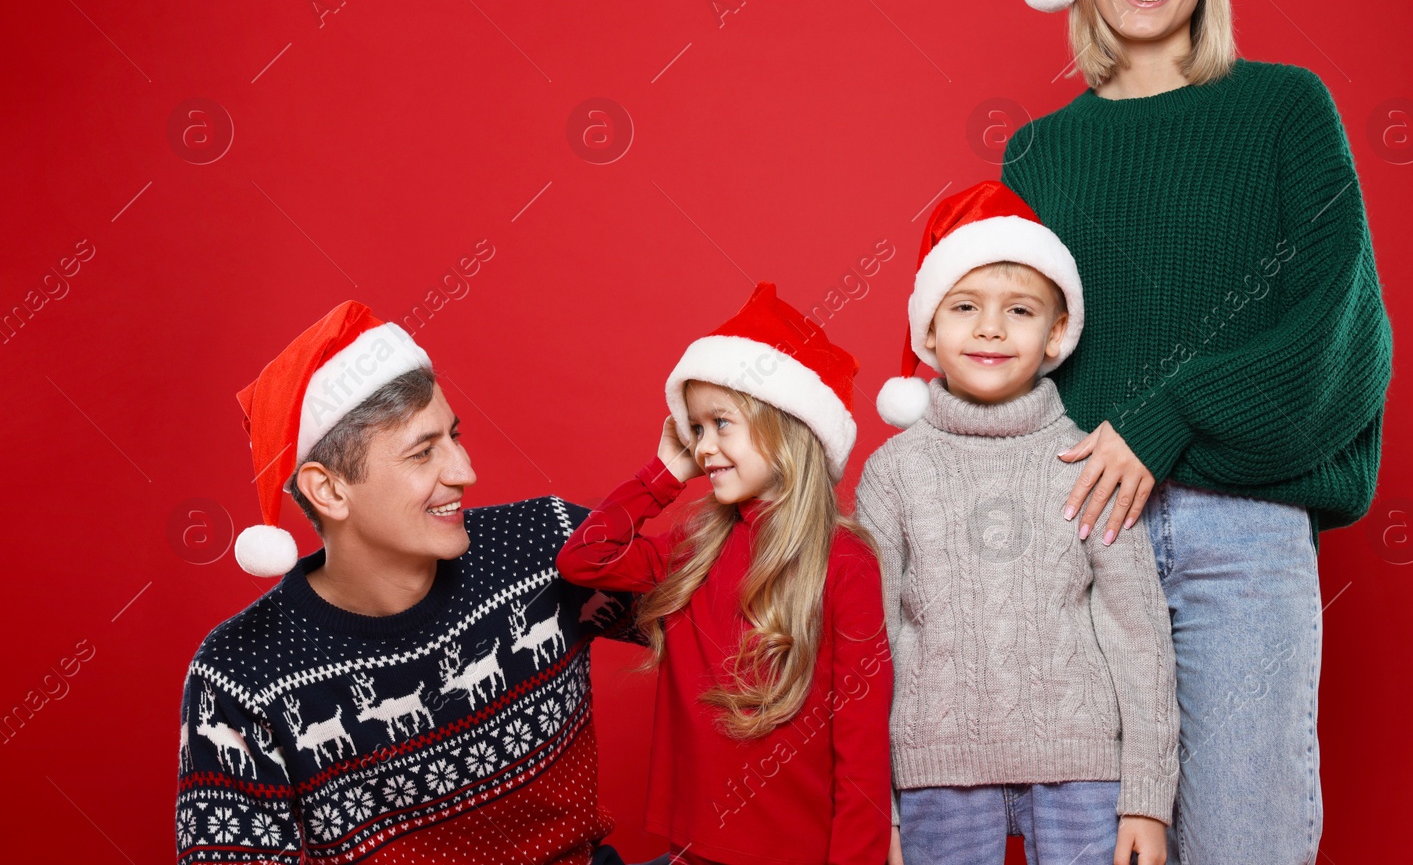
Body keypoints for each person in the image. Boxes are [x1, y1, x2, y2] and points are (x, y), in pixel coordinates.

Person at [1006, 0, 1395, 865]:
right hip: (1085, 537)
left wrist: (1165, 411)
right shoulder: (1039, 151)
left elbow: (1338, 325)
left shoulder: (1282, 107)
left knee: (1242, 839)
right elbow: (1008, 353)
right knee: (1089, 845)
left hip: (1241, 538)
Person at [175, 300, 640, 865]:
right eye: (423, 453)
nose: (464, 472)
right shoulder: (241, 674)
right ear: (329, 491)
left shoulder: (547, 543)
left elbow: (744, 622)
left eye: (454, 437)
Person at [862, 181, 1178, 865]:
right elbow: (868, 644)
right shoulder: (892, 473)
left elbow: (1138, 632)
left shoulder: (1089, 461)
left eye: (1020, 310)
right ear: (928, 327)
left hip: (1082, 768)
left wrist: (1147, 799)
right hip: (933, 774)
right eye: (966, 306)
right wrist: (876, 811)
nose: (990, 328)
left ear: (1057, 331)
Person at [555, 282, 892, 865]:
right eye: (695, 428)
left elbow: (862, 749)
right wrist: (663, 473)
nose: (703, 447)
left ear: (785, 425)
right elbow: (584, 558)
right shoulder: (695, 546)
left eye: (721, 423)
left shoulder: (845, 561)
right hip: (693, 846)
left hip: (797, 850)